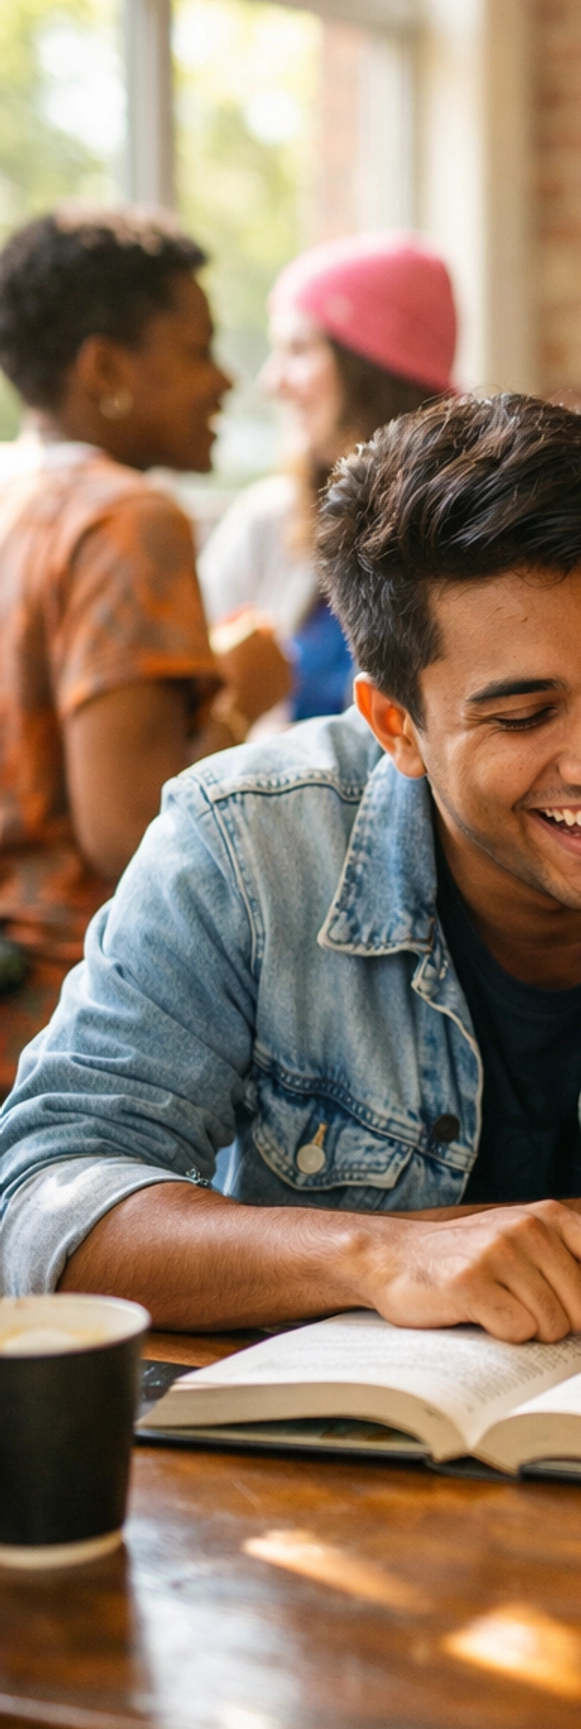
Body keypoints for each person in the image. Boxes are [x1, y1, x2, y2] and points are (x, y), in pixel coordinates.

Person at [0, 393, 581, 1346]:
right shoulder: (239, 846)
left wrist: (499, 1249)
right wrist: (379, 1259)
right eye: (525, 715)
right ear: (395, 725)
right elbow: (49, 1199)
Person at [0, 208, 287, 1092]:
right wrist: (241, 693)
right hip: (70, 1025)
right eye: (197, 348)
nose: (224, 381)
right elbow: (131, 833)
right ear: (106, 369)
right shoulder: (125, 518)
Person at [199, 230, 457, 724]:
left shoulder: (476, 527)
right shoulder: (268, 518)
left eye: (298, 349)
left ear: (374, 366)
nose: (271, 381)